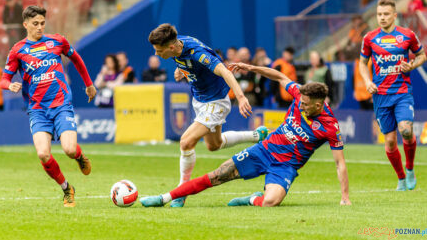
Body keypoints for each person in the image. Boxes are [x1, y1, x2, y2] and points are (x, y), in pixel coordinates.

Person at [140, 63, 350, 208]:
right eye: (300, 101)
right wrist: (251, 68)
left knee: (271, 202)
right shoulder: (298, 93)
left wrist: (345, 197)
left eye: (305, 104)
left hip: (285, 166)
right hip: (264, 150)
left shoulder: (330, 126)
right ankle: (164, 197)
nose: (300, 104)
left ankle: (252, 200)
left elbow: (340, 163)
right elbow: (279, 76)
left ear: (318, 104)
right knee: (217, 175)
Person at [148, 23, 266, 208]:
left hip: (216, 102)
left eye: (158, 50)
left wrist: (241, 97)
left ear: (170, 47)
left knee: (186, 142)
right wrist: (182, 69)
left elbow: (224, 71)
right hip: (200, 100)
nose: (156, 54)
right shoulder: (178, 45)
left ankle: (181, 191)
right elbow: (186, 60)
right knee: (214, 145)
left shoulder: (197, 53)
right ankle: (257, 135)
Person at [0, 5, 97, 207]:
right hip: (37, 110)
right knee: (43, 154)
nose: (40, 27)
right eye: (35, 24)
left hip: (61, 104)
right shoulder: (17, 50)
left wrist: (89, 85)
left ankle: (79, 156)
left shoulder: (57, 41)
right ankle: (67, 189)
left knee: (69, 149)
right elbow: (3, 79)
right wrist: (10, 85)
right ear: (25, 25)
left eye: (42, 23)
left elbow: (77, 59)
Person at [359, 0, 426, 191]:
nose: (382, 17)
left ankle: (411, 168)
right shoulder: (369, 38)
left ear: (394, 16)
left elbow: (421, 55)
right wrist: (367, 81)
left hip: (402, 91)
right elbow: (362, 63)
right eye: (379, 14)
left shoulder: (407, 35)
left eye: (386, 14)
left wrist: (412, 64)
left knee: (406, 130)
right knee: (389, 141)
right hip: (380, 94)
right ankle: (401, 178)